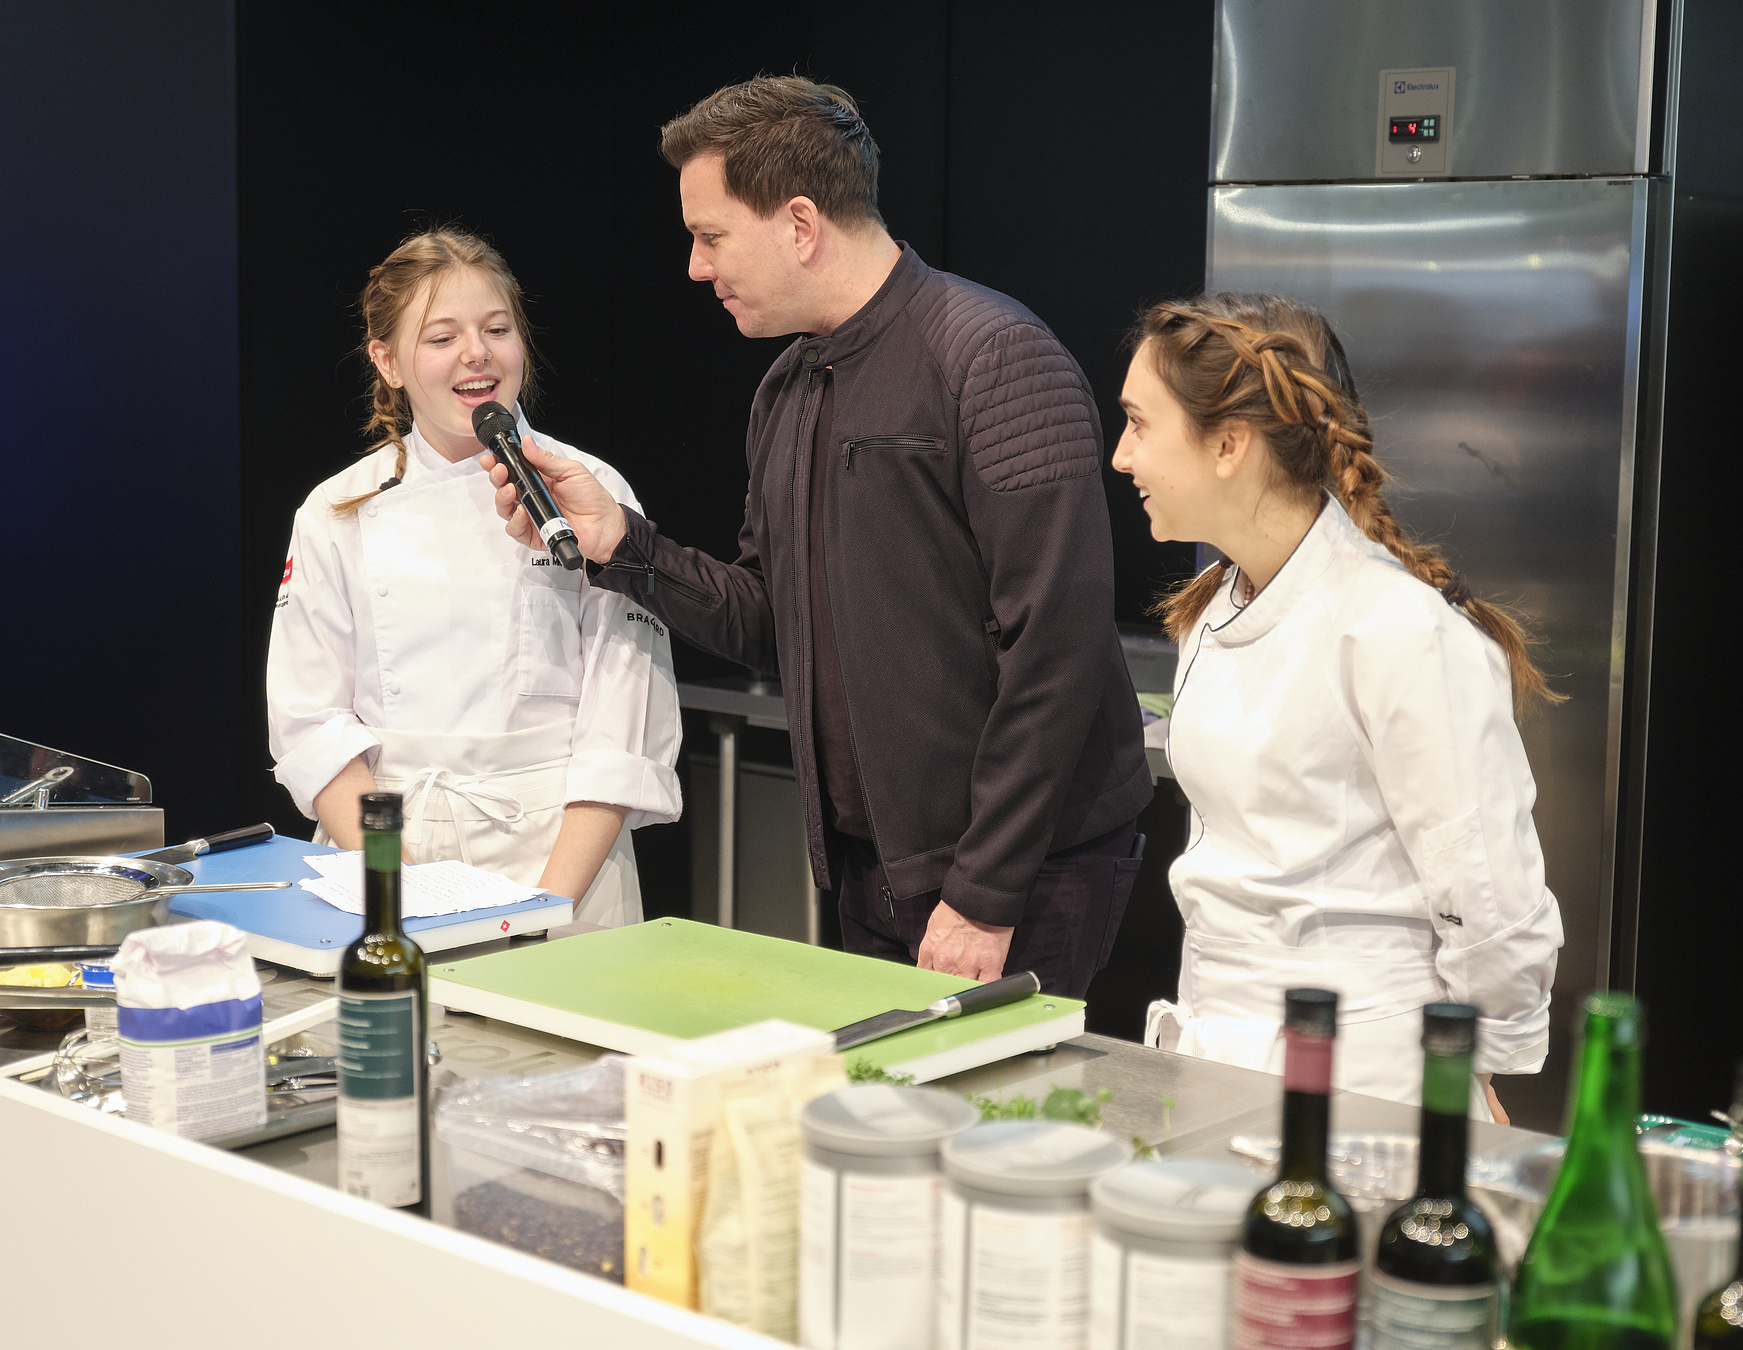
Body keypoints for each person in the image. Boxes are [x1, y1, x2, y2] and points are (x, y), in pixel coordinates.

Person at [487, 77, 1152, 996]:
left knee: (995, 1096)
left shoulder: (996, 355)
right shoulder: (787, 389)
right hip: (872, 871)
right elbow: (772, 622)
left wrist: (985, 891)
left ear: (800, 224)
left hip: (1018, 876)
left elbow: (1059, 646)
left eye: (711, 236)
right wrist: (620, 545)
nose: (695, 267)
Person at [1112, 293, 1563, 1121]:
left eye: (1139, 424)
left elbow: (1490, 896)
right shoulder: (1212, 604)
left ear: (1229, 444)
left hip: (1367, 1085)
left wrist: (1480, 1065)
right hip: (1219, 1056)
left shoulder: (1398, 629)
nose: (1120, 455)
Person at [268, 228, 681, 926]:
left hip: (565, 864)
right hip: (386, 856)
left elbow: (624, 721)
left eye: (497, 329)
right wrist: (400, 889)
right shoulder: (336, 510)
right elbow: (310, 724)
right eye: (442, 337)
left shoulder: (591, 491)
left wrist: (545, 908)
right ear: (387, 361)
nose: (477, 353)